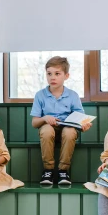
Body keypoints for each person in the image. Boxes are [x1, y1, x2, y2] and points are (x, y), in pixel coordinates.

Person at [30, 56, 91, 185]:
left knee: (69, 131)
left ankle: (63, 171)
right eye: (49, 74)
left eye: (57, 74)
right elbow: (34, 123)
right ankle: (48, 170)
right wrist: (45, 118)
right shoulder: (40, 95)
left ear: (66, 76)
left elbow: (82, 119)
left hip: (67, 131)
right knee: (46, 130)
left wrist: (84, 125)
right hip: (48, 131)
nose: (52, 77)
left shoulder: (73, 95)